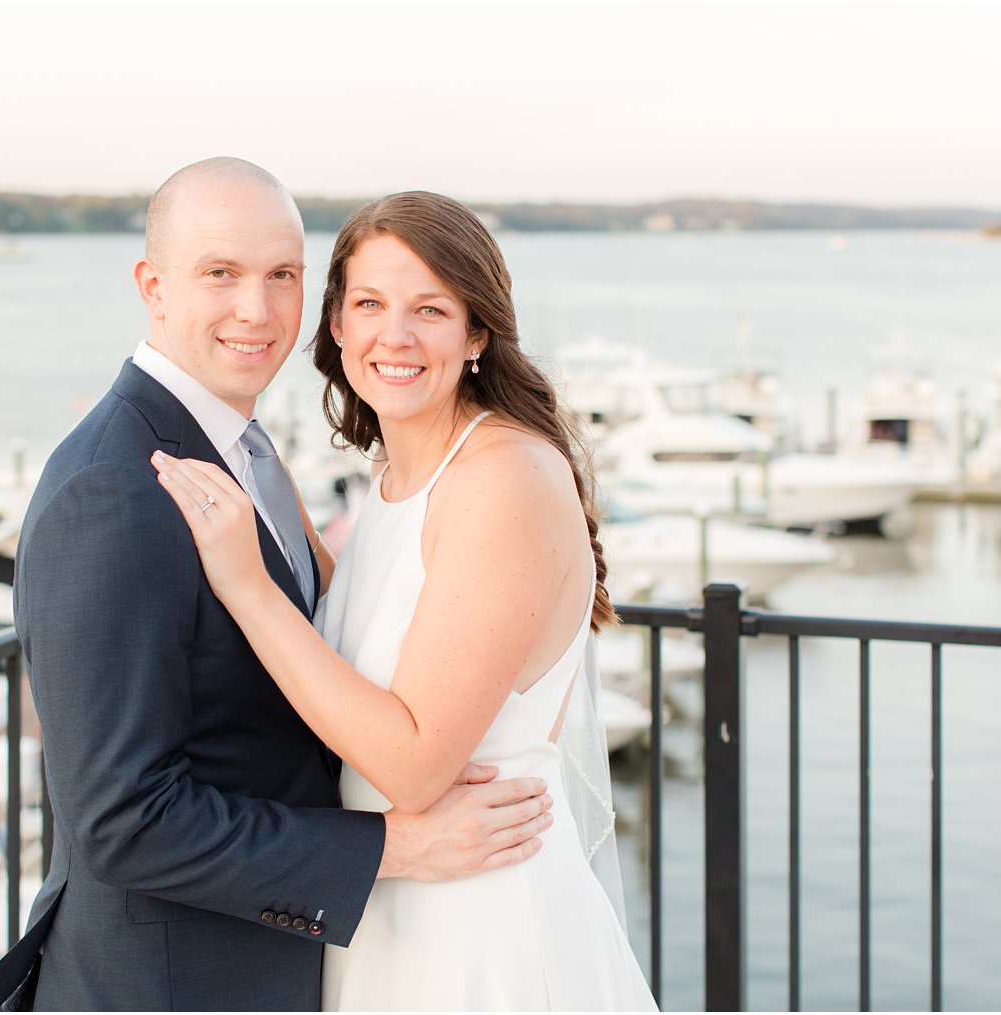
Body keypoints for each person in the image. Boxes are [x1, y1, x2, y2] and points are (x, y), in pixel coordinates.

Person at [0, 162, 555, 1012]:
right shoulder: (116, 485)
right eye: (221, 274)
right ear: (152, 287)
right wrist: (395, 847)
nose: (257, 310)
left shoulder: (241, 449)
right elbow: (124, 821)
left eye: (283, 276)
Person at [153, 190, 659, 1010]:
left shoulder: (502, 475)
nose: (396, 334)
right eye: (370, 304)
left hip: (479, 925)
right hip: (393, 907)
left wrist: (247, 586)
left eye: (431, 308)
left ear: (478, 332)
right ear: (339, 326)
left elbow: (416, 762)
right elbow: (358, 632)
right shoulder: (394, 480)